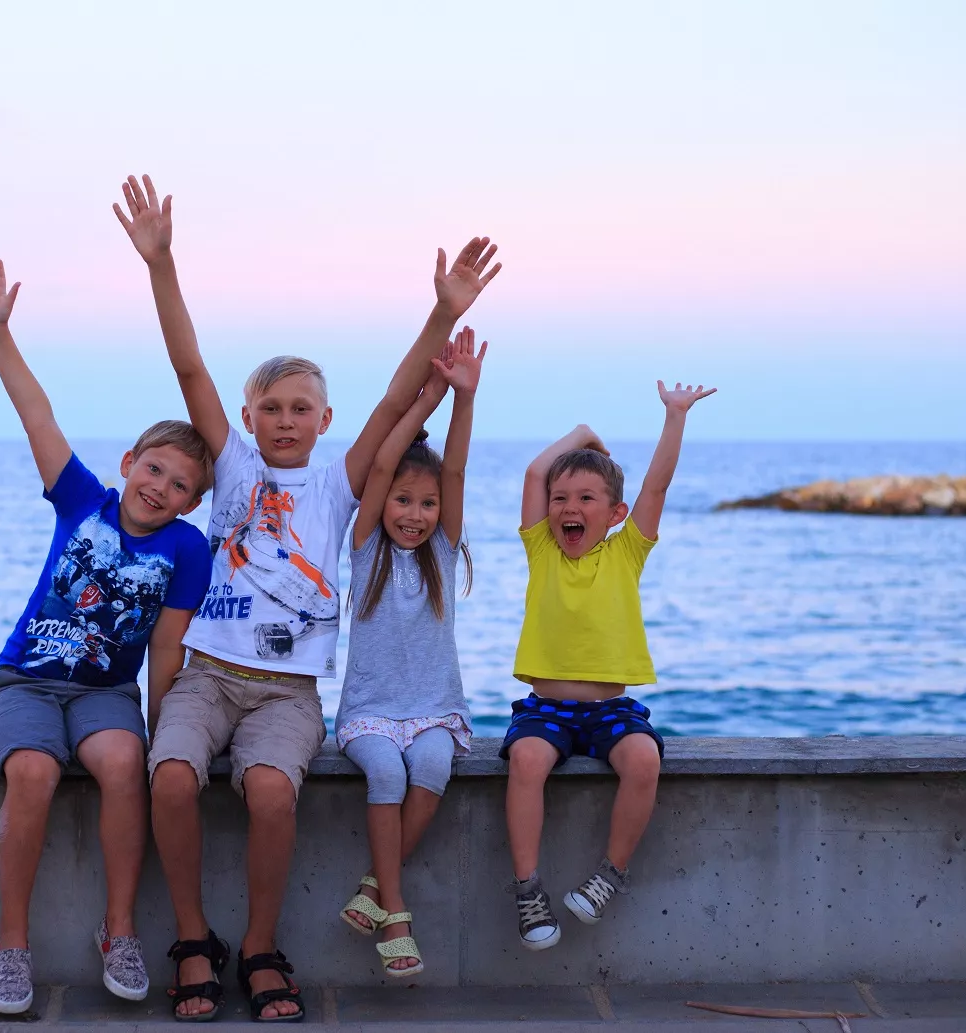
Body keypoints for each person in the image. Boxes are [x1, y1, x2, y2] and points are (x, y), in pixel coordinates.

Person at [113, 173, 501, 1021]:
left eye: (302, 408)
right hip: (208, 673)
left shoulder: (340, 486)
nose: (286, 419)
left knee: (272, 793)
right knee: (172, 775)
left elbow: (402, 398)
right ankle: (191, 938)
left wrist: (441, 314)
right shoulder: (235, 468)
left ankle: (259, 943)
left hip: (289, 689)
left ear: (326, 420)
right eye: (271, 408)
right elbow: (188, 363)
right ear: (248, 419)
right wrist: (161, 262)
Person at [0, 258, 214, 1014]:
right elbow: (37, 413)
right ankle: (12, 946)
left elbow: (166, 649)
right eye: (154, 469)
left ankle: (120, 930)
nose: (160, 488)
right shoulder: (82, 502)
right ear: (128, 462)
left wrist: (164, 722)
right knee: (34, 774)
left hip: (105, 692)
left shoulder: (187, 549)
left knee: (121, 761)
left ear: (192, 502)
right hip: (26, 682)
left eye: (179, 486)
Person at [502, 381, 716, 951]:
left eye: (586, 498)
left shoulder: (626, 551)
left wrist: (674, 417)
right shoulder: (541, 547)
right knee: (525, 758)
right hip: (546, 709)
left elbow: (657, 483)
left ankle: (609, 876)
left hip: (610, 710)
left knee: (644, 759)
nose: (569, 508)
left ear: (616, 512)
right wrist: (584, 436)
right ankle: (527, 890)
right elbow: (532, 475)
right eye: (561, 498)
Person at [335, 328, 485, 977]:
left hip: (432, 709)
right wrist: (425, 402)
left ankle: (373, 887)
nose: (415, 513)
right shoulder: (365, 545)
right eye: (403, 499)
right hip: (369, 710)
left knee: (430, 766)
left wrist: (464, 399)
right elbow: (380, 464)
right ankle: (395, 910)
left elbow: (452, 467)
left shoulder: (443, 555)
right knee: (387, 774)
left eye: (426, 504)